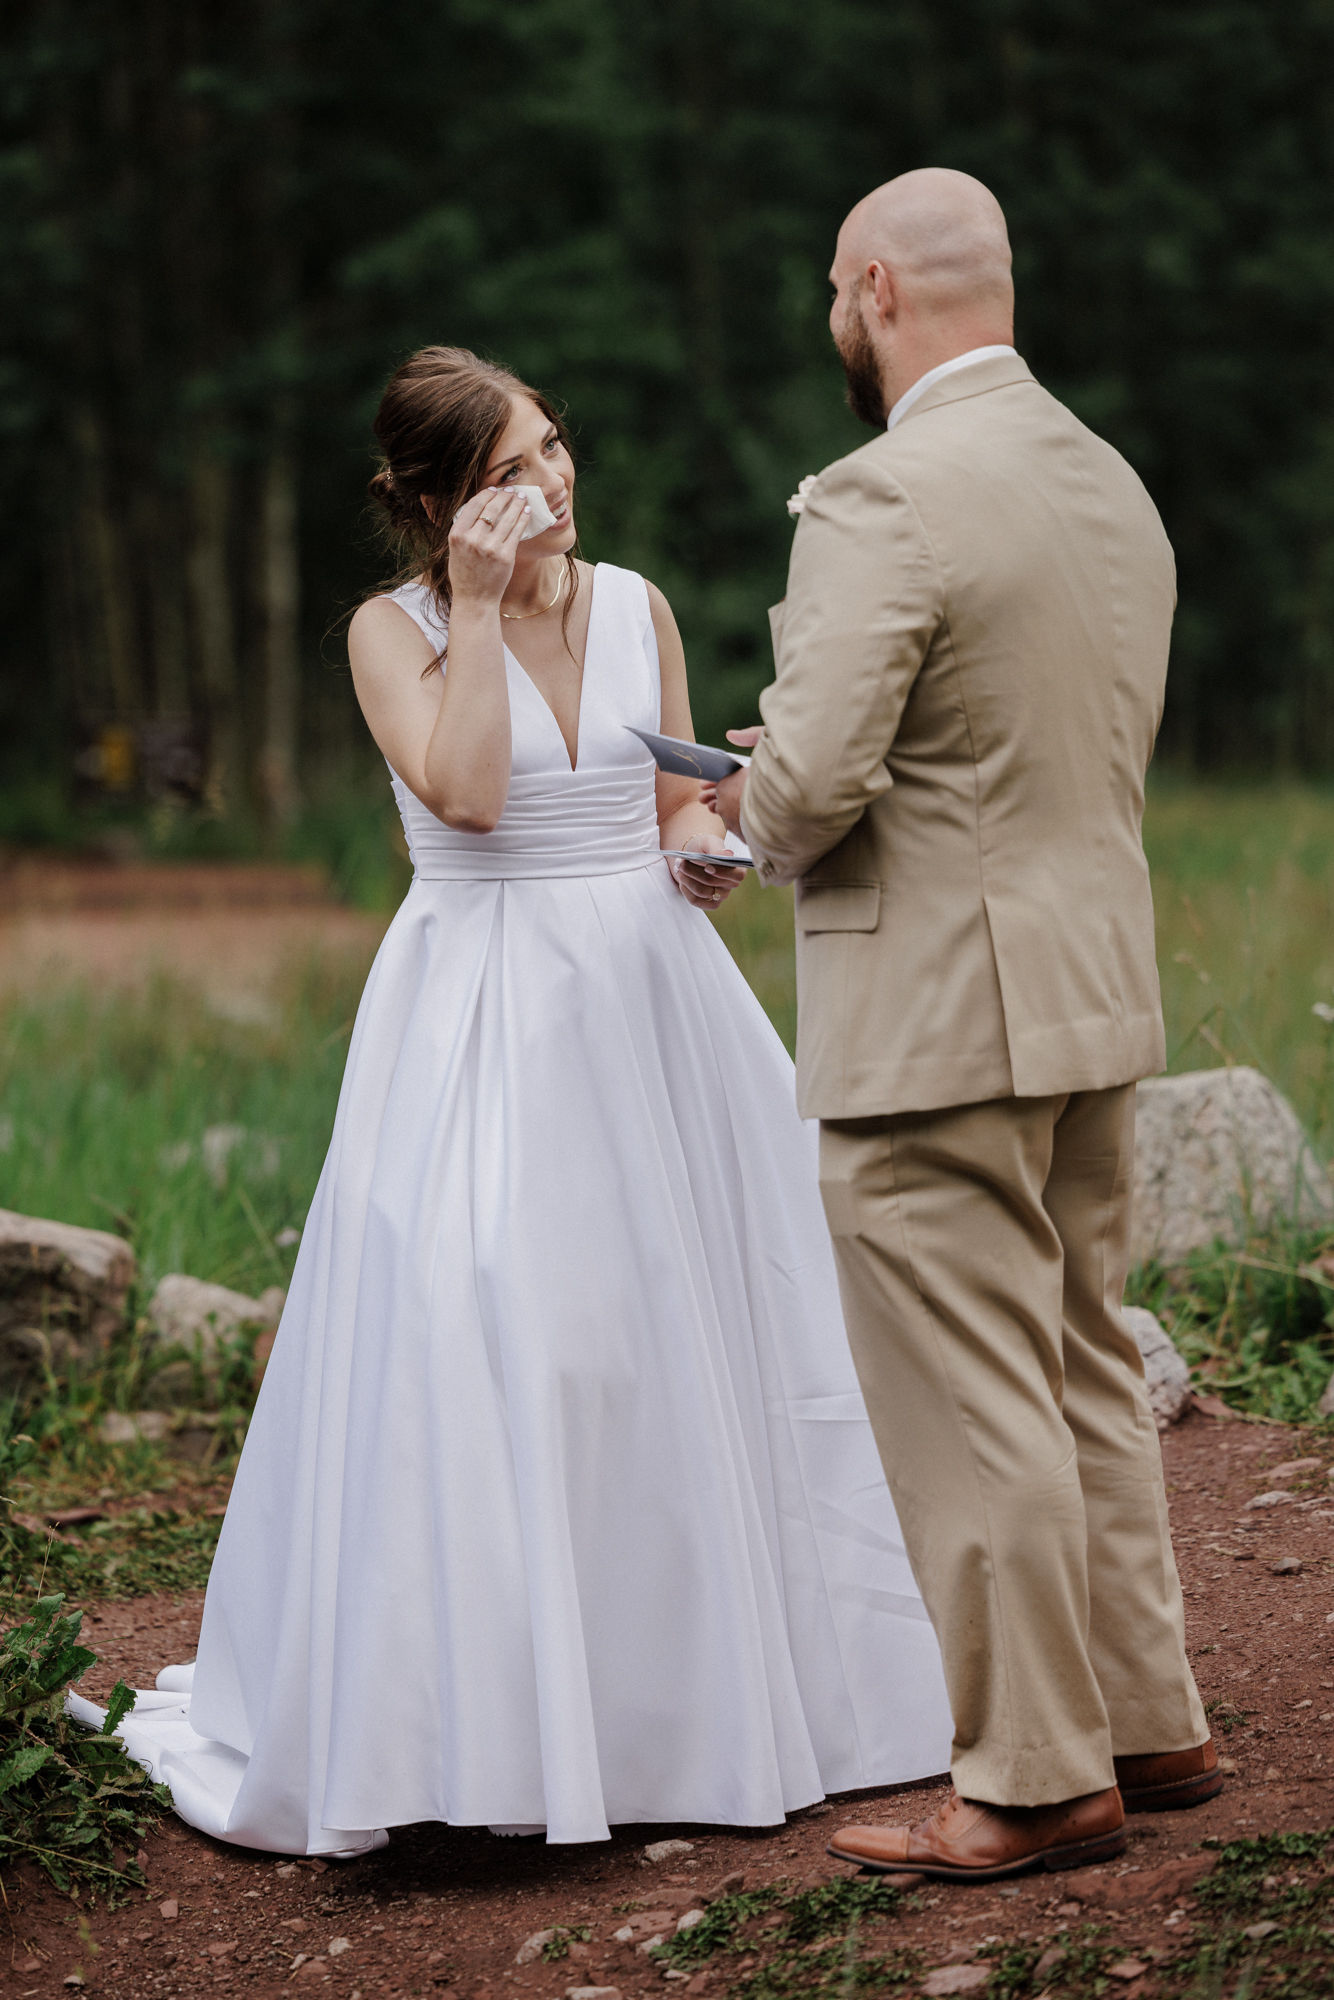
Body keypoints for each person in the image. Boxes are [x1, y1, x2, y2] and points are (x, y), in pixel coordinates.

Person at [71, 345, 952, 1855]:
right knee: (508, 1328)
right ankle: (487, 1730)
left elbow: (673, 808)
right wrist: (474, 613)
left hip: (651, 1002)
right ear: (430, 505)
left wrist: (706, 844)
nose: (543, 487)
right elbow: (469, 795)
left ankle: (702, 1702)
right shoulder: (388, 632)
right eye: (500, 477)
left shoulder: (637, 605)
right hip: (480, 1012)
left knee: (700, 1326)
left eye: (549, 452)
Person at [707, 170, 1218, 1884]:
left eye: (827, 296)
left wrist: (732, 824)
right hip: (1089, 991)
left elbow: (820, 774)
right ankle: (1146, 1721)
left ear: (869, 288)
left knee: (968, 1384)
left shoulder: (879, 493)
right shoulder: (1110, 481)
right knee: (1075, 1347)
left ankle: (1025, 1774)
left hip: (932, 1007)